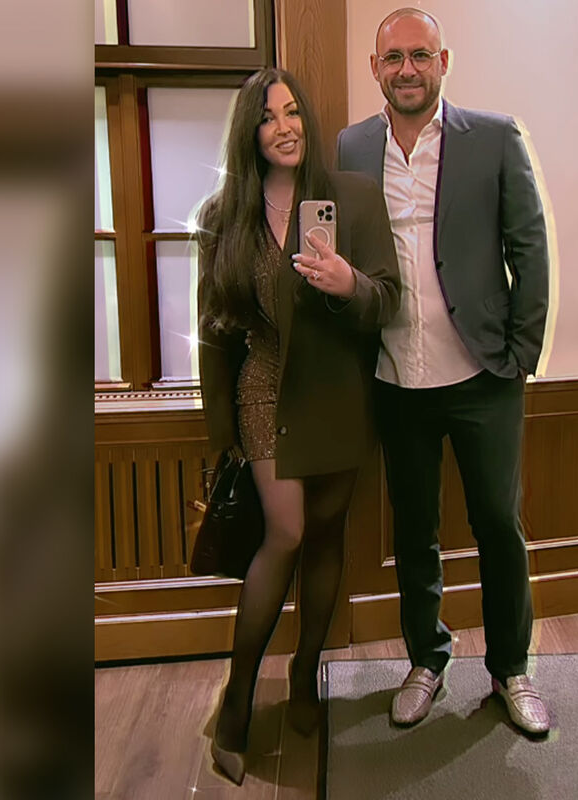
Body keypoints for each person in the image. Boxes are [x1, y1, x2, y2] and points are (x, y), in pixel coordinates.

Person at [337, 8, 552, 735]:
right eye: (394, 57)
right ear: (375, 68)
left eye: (420, 55)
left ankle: (511, 669)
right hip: (395, 378)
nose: (407, 69)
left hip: (483, 376)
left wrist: (519, 356)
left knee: (499, 526)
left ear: (443, 62)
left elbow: (529, 248)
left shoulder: (493, 138)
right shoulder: (351, 147)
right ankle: (426, 661)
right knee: (415, 532)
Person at [196, 68, 401, 785]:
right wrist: (219, 430)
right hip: (263, 386)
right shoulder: (225, 214)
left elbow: (389, 298)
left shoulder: (354, 197)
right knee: (284, 531)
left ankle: (308, 672)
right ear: (249, 133)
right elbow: (213, 330)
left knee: (326, 535)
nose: (284, 127)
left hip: (338, 390)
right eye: (267, 117)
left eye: (292, 112)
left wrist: (349, 285)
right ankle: (237, 700)